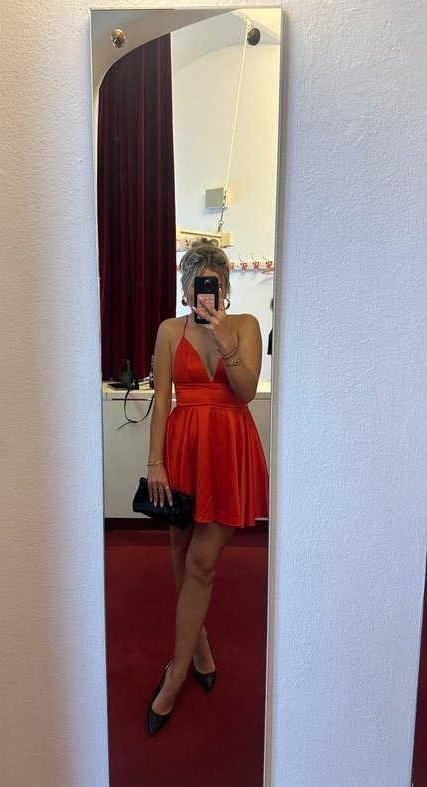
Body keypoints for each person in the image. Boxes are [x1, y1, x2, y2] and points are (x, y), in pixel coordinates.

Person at [146, 243, 268, 736]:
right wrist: (155, 461)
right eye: (197, 283)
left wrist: (222, 337)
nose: (204, 292)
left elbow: (245, 389)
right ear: (185, 289)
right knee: (181, 553)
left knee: (202, 561)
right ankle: (197, 645)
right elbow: (161, 399)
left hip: (228, 448)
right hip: (182, 450)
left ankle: (175, 673)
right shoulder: (168, 331)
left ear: (224, 288)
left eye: (213, 284)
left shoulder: (245, 326)